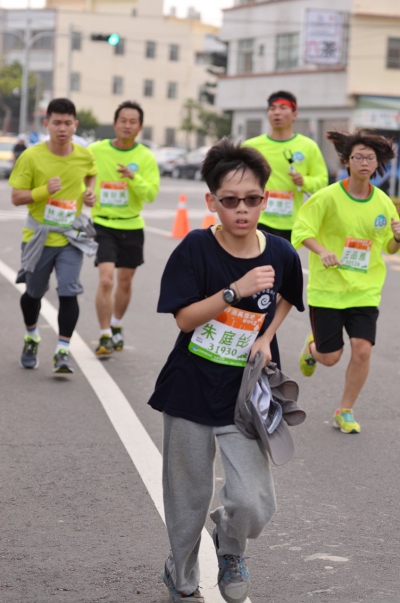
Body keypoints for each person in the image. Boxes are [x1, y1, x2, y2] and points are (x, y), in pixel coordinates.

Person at [148, 138, 304, 603]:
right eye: (230, 200)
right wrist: (235, 291)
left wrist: (266, 336)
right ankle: (181, 573)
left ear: (265, 199)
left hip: (244, 395)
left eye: (252, 199)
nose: (242, 210)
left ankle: (229, 544)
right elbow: (185, 319)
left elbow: (289, 296)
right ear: (211, 201)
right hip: (189, 388)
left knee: (255, 501)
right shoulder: (196, 248)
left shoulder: (280, 252)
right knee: (187, 497)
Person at [293, 130, 400, 434]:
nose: (365, 162)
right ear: (347, 161)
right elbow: (302, 230)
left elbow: (388, 247)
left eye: (370, 158)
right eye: (358, 157)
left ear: (378, 164)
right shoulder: (327, 197)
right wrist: (322, 250)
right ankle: (312, 348)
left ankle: (345, 410)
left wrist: (397, 238)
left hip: (365, 290)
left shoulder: (383, 202)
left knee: (363, 350)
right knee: (330, 358)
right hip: (328, 290)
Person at [10, 98, 97, 374]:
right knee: (33, 293)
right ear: (46, 124)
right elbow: (16, 197)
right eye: (57, 122)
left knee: (69, 291)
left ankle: (62, 351)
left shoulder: (84, 155)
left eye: (67, 123)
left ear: (75, 125)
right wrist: (44, 191)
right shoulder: (31, 157)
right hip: (38, 236)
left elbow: (91, 173)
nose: (62, 128)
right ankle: (32, 336)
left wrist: (89, 192)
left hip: (70, 237)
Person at [89, 101, 160, 356]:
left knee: (125, 282)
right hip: (103, 224)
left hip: (131, 225)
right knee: (106, 279)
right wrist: (86, 191)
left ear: (140, 127)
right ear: (114, 123)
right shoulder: (96, 150)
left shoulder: (145, 157)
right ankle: (104, 335)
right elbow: (80, 173)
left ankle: (116, 324)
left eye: (133, 122)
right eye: (123, 120)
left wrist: (133, 178)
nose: (127, 125)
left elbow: (151, 194)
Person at [243, 90, 328, 242]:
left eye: (283, 108)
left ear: (294, 114)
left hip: (292, 223)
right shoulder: (251, 147)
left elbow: (322, 183)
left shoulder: (308, 147)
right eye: (272, 108)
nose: (277, 112)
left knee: (283, 258)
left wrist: (304, 181)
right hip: (258, 219)